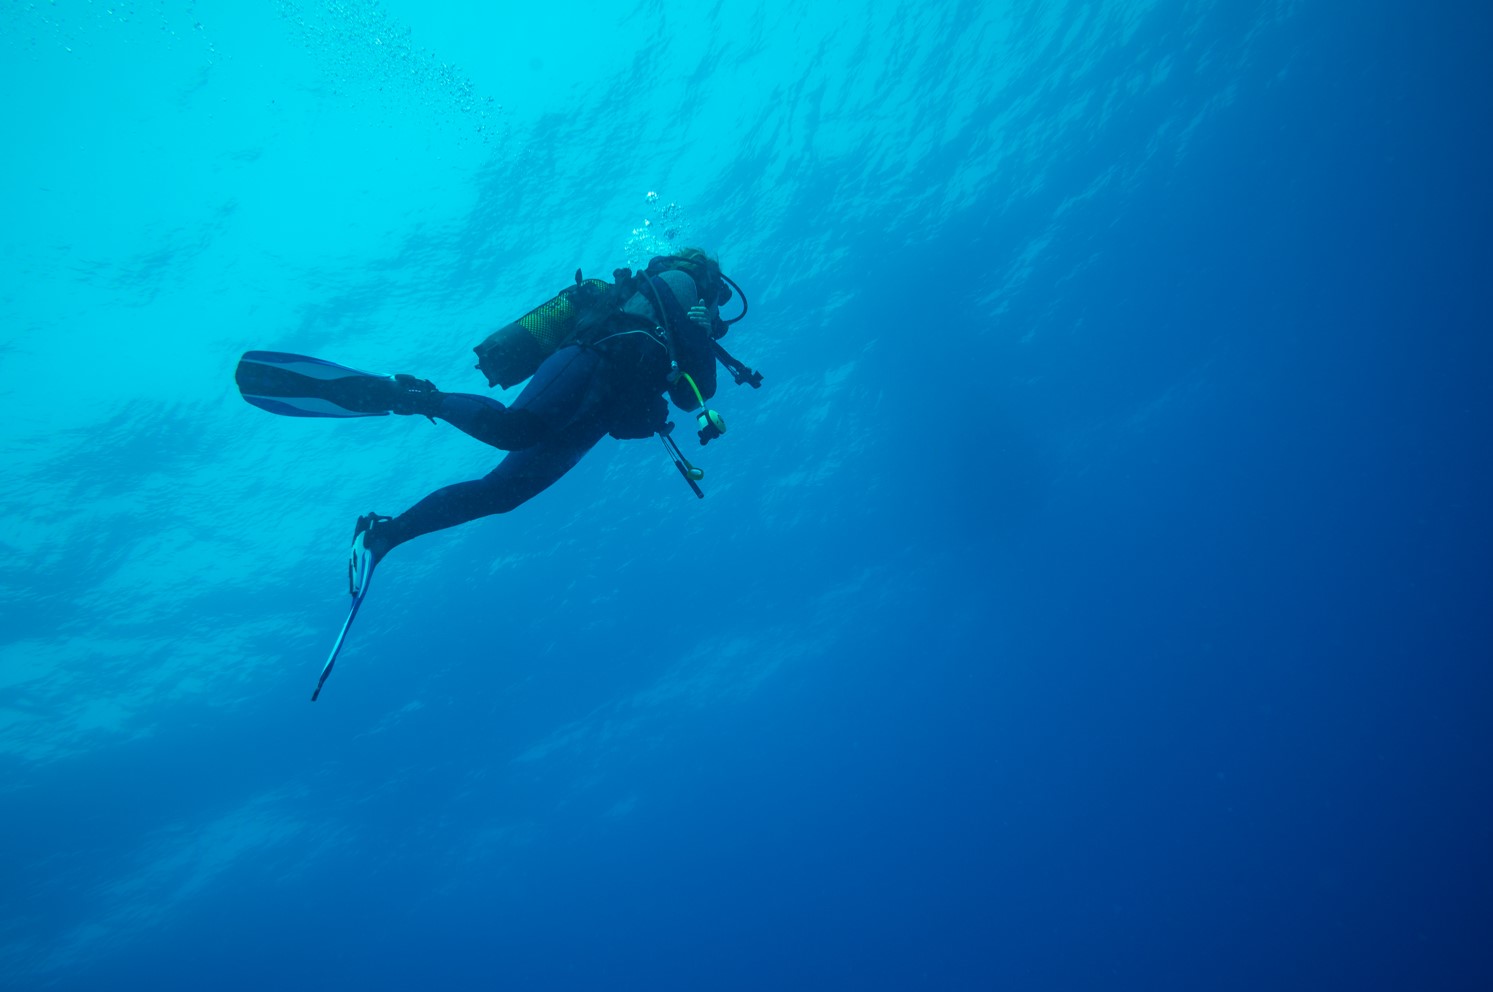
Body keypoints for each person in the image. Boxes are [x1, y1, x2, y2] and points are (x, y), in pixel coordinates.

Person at [338, 248, 748, 595]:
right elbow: (702, 386)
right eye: (721, 303)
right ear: (712, 282)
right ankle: (409, 395)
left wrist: (693, 339)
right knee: (513, 429)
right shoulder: (683, 282)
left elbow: (684, 397)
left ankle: (383, 536)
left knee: (501, 494)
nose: (719, 317)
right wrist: (698, 329)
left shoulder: (691, 328)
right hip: (589, 360)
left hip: (597, 412)